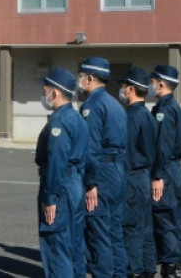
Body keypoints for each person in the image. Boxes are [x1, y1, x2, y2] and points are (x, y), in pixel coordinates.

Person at [76, 57, 127, 278]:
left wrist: (90, 183)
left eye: (80, 77)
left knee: (97, 235)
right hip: (117, 171)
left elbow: (91, 147)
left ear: (89, 78)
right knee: (114, 232)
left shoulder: (93, 105)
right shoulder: (115, 103)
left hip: (102, 174)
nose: (79, 81)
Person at [35, 68, 88, 278]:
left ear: (55, 93)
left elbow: (56, 160)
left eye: (45, 90)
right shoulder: (77, 118)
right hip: (74, 184)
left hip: (61, 186)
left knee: (57, 247)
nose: (43, 95)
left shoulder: (59, 121)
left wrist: (50, 197)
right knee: (74, 247)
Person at [119, 68, 158, 278]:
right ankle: (148, 269)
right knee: (145, 227)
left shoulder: (131, 117)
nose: (121, 90)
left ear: (131, 89)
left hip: (132, 176)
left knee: (131, 228)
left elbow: (126, 152)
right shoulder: (149, 115)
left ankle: (133, 270)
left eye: (124, 86)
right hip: (144, 176)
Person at [149, 64, 181, 278]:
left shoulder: (164, 109)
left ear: (161, 83)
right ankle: (177, 264)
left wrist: (158, 175)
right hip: (173, 169)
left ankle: (171, 268)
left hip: (166, 170)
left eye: (153, 81)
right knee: (175, 218)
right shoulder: (173, 106)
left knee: (165, 219)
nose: (151, 85)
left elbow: (163, 145)